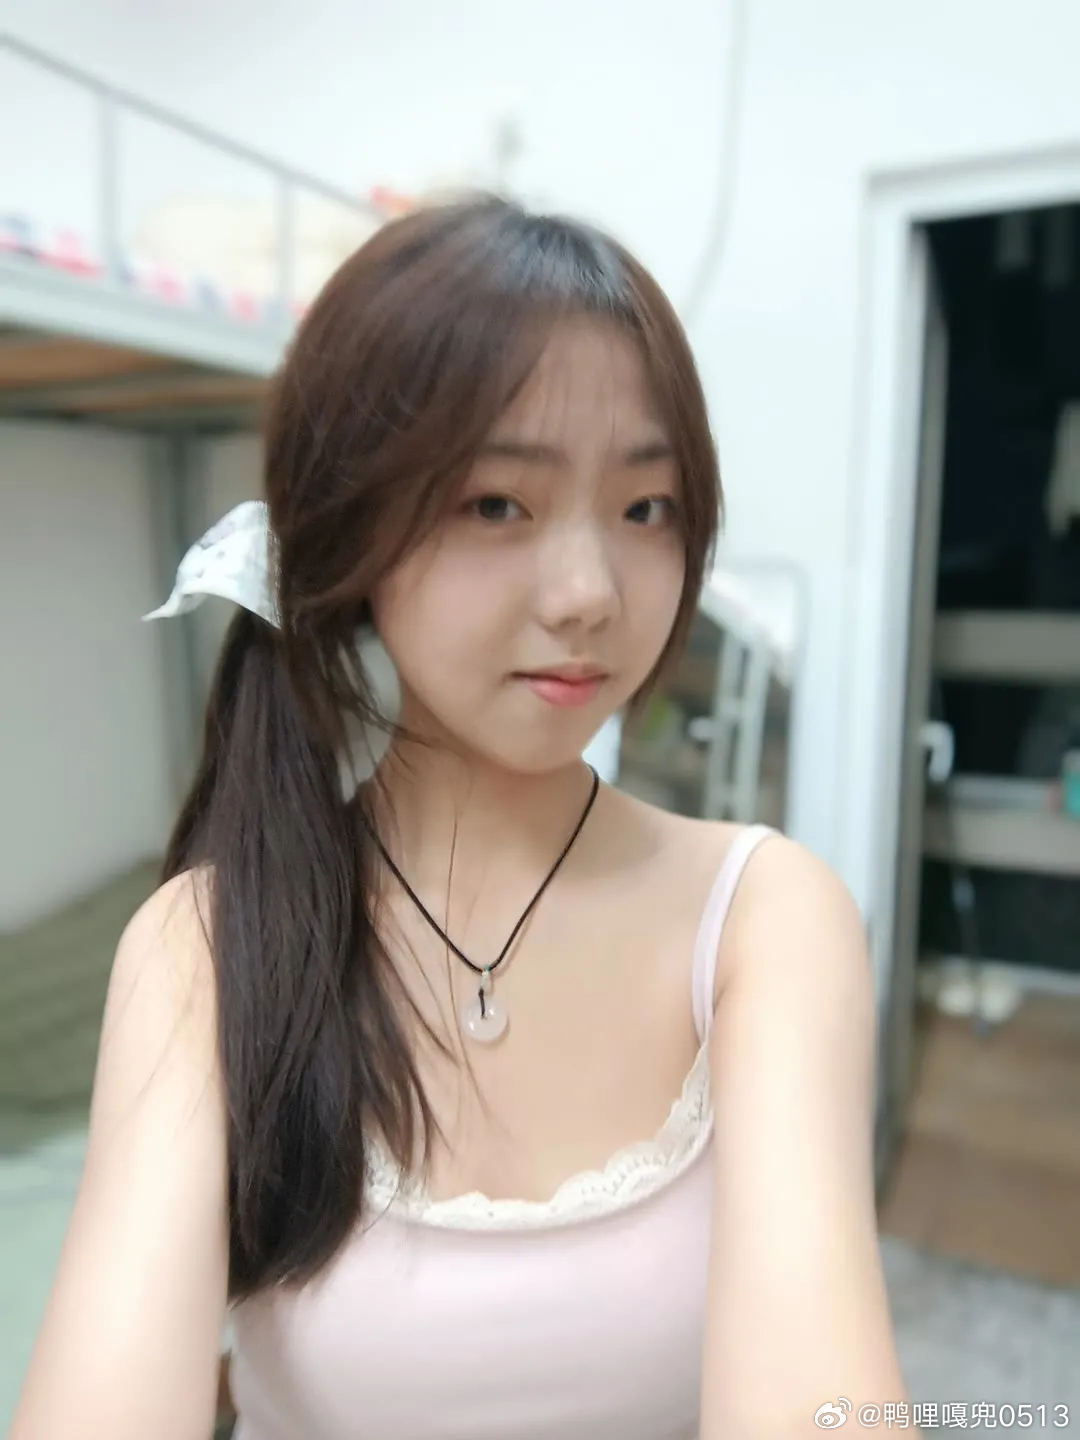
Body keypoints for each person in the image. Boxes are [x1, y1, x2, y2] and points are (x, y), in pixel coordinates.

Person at [12, 195, 909, 1440]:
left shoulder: (768, 918)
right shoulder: (202, 950)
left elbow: (823, 1404)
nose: (590, 593)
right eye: (497, 504)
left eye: (646, 508)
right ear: (352, 531)